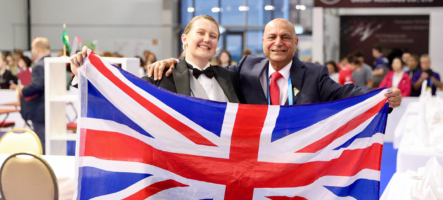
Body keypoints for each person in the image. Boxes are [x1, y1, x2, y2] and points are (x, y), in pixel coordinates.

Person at [146, 18, 402, 108]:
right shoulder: (244, 69)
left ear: (295, 43)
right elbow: (199, 67)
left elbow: (345, 92)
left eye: (285, 37)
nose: (278, 42)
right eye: (272, 37)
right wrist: (173, 62)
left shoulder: (314, 74)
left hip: (296, 164)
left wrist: (383, 96)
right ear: (263, 42)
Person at [71, 15, 241, 103]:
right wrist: (84, 73)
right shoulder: (162, 75)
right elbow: (123, 93)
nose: (207, 39)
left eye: (213, 36)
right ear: (184, 39)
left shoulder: (230, 77)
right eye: (201, 33)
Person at [20, 37, 51, 153]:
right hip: (48, 110)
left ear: (38, 47)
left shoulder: (39, 66)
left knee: (42, 141)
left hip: (39, 110)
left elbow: (37, 86)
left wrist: (23, 89)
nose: (31, 50)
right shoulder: (50, 62)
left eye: (32, 47)